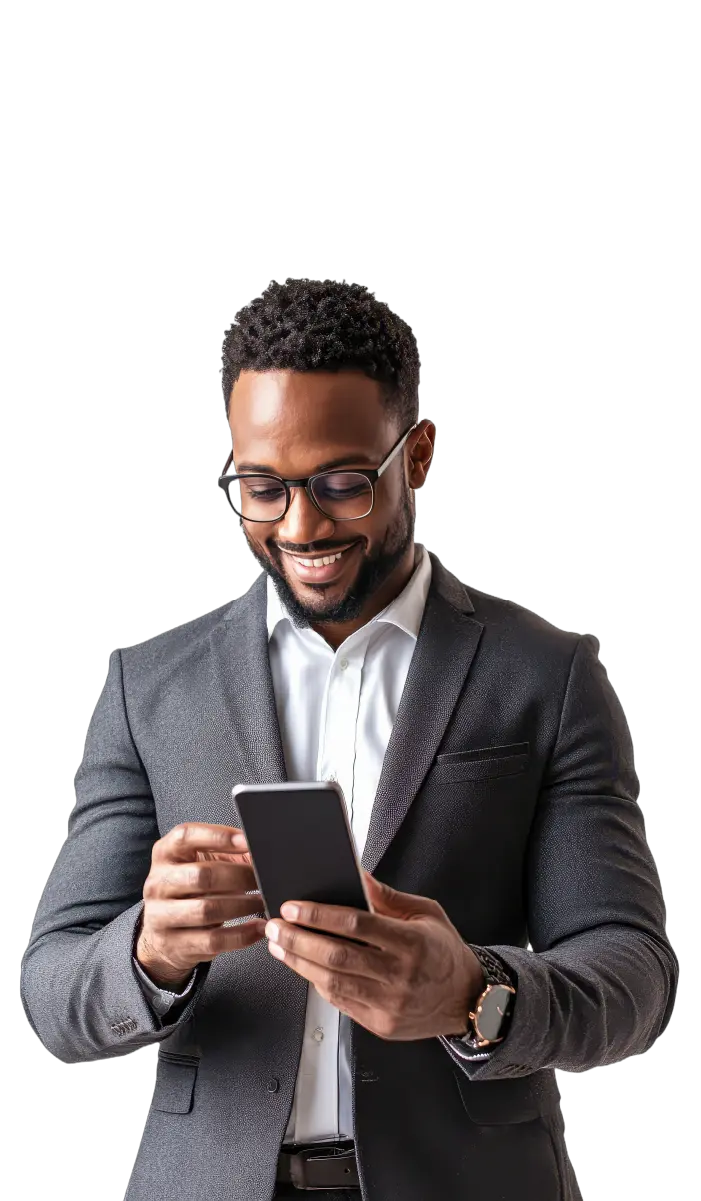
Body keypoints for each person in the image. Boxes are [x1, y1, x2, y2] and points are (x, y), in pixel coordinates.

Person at [20, 277, 678, 1201]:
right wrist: (148, 953)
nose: (299, 525)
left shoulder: (547, 676)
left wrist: (472, 995)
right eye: (261, 488)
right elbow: (52, 992)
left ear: (418, 456)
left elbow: (632, 976)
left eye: (339, 483)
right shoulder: (148, 687)